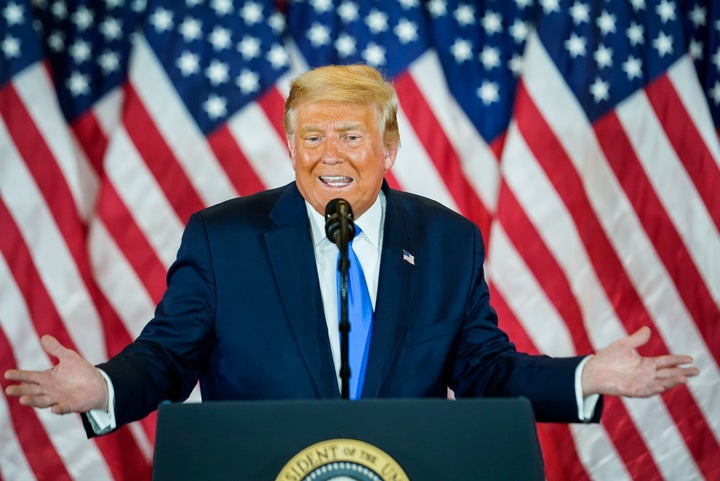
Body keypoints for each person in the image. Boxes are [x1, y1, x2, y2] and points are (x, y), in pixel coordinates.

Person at [4, 64, 698, 436]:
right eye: (311, 137)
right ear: (290, 144)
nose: (328, 156)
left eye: (350, 136)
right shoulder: (223, 238)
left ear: (389, 147)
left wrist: (587, 376)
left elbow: (485, 369)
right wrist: (106, 385)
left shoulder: (448, 241)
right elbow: (168, 353)